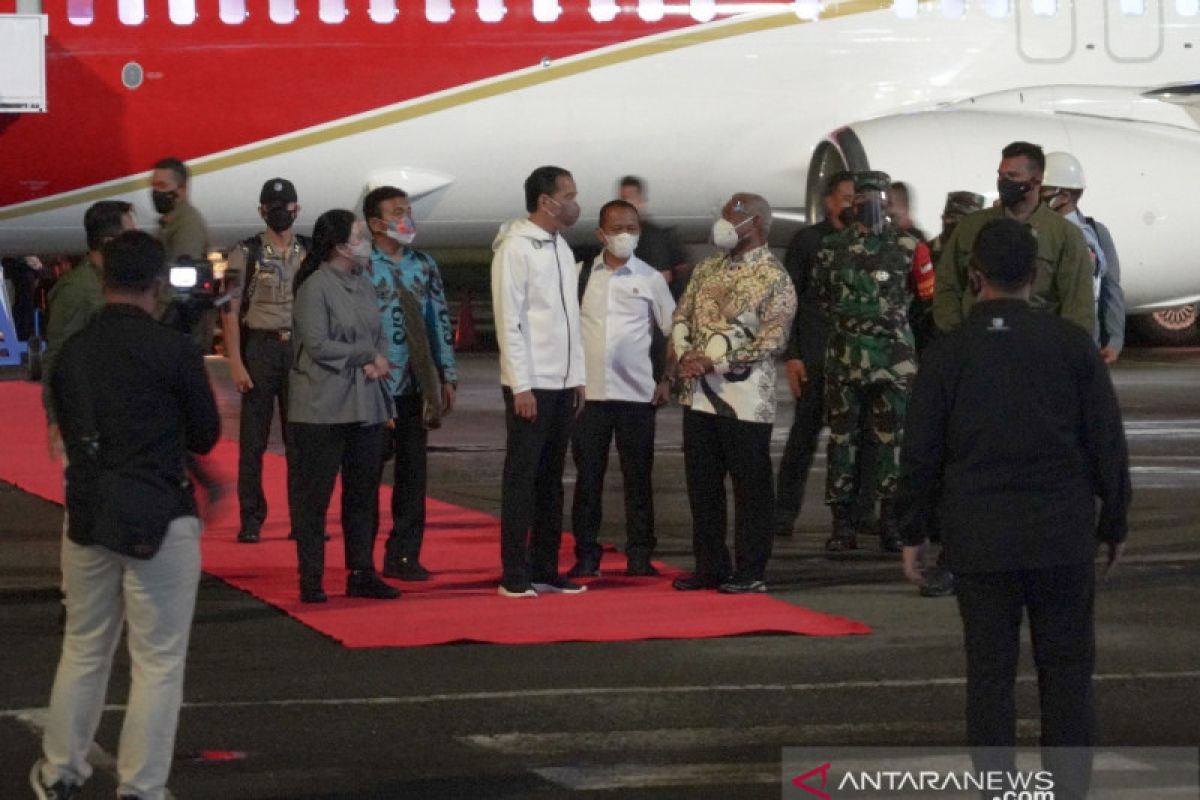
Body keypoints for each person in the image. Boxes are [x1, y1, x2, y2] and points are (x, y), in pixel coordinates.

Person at [896, 218, 1130, 799]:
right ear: (1034, 275)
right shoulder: (1071, 345)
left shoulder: (948, 355)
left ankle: (999, 789)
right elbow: (1107, 440)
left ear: (974, 276)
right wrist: (1114, 521)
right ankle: (1067, 789)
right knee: (1068, 674)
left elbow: (921, 451)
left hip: (980, 539)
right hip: (1061, 534)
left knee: (991, 676)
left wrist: (912, 531)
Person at [32, 230, 220, 800]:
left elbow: (66, 420)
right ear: (158, 282)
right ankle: (141, 787)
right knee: (158, 662)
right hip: (159, 512)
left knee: (85, 648)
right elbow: (206, 435)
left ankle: (60, 771)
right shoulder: (174, 349)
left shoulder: (74, 351)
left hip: (89, 510)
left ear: (103, 275)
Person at [670, 193, 796, 594]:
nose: (722, 226)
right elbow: (681, 316)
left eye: (732, 219)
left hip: (745, 402)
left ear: (755, 223)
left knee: (750, 489)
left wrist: (717, 363)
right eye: (722, 217)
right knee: (703, 486)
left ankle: (751, 570)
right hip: (700, 396)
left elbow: (773, 339)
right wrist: (685, 352)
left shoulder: (774, 277)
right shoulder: (707, 268)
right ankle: (710, 566)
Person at [287, 210, 399, 604]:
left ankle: (361, 571)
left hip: (364, 404)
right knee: (314, 497)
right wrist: (366, 354)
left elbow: (379, 332)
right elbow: (317, 345)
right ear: (338, 246)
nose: (365, 241)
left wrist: (378, 355)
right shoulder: (314, 288)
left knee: (363, 493)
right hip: (321, 408)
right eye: (358, 236)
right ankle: (311, 576)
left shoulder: (364, 283)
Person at [491, 165, 587, 598]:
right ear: (546, 201)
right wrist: (520, 385)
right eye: (568, 194)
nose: (574, 202)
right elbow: (508, 320)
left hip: (563, 383)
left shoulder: (560, 247)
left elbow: (570, 318)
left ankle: (546, 567)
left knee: (551, 481)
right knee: (523, 480)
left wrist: (578, 378)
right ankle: (515, 573)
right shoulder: (516, 248)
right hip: (532, 384)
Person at [568, 199, 675, 579]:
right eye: (617, 229)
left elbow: (673, 332)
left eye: (632, 228)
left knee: (638, 481)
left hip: (636, 397)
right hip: (589, 398)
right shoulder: (580, 276)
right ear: (601, 234)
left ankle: (641, 554)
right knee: (588, 480)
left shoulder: (649, 279)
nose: (625, 235)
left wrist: (666, 379)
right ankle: (585, 553)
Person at [815, 172, 920, 553]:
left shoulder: (909, 246)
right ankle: (843, 524)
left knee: (894, 444)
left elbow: (923, 300)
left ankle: (892, 522)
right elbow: (823, 298)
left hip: (894, 361)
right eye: (862, 197)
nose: (868, 204)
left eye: (876, 197)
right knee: (843, 442)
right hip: (846, 357)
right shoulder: (831, 247)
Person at [774, 171, 878, 540]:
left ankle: (861, 514)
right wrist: (794, 355)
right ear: (830, 200)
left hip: (859, 358)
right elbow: (790, 300)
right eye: (847, 197)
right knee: (803, 436)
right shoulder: (808, 241)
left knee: (862, 437)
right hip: (818, 357)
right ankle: (783, 514)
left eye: (858, 199)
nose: (852, 205)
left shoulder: (874, 242)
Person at [363, 185, 458, 581]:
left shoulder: (424, 265)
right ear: (375, 223)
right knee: (366, 475)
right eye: (397, 211)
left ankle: (404, 554)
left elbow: (439, 319)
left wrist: (446, 374)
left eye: (408, 210)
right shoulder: (360, 265)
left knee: (412, 476)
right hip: (371, 386)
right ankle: (361, 557)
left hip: (414, 384)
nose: (406, 217)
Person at [220, 178, 308, 544]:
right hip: (260, 348)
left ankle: (303, 519)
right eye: (272, 205)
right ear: (260, 211)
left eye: (285, 204)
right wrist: (235, 362)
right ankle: (251, 518)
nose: (279, 211)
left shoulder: (309, 252)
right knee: (253, 441)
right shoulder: (244, 252)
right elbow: (228, 308)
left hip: (298, 350)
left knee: (301, 441)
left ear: (296, 209)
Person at [932, 141, 1095, 336]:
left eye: (1012, 176)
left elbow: (1078, 304)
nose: (1003, 181)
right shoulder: (971, 227)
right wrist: (958, 334)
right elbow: (947, 286)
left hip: (1037, 348)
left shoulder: (1064, 235)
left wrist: (1058, 349)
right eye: (1000, 175)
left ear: (1036, 180)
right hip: (977, 344)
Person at [42, 201, 137, 459]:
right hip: (88, 419)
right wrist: (55, 418)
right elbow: (56, 356)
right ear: (108, 242)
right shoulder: (76, 289)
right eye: (130, 236)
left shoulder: (123, 282)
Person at [1042, 151, 1126, 364]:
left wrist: (1115, 340)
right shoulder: (1037, 230)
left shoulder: (1096, 233)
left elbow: (1110, 287)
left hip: (1085, 343)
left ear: (1065, 196)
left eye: (1044, 190)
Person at [150, 157, 214, 350]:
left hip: (179, 330)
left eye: (162, 185)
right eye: (154, 186)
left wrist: (155, 322)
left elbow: (181, 287)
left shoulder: (187, 227)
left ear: (182, 190)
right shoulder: (170, 224)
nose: (156, 192)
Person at [617, 175, 690, 297]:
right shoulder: (616, 245)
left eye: (628, 199)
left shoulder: (663, 239)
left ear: (641, 201)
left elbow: (681, 275)